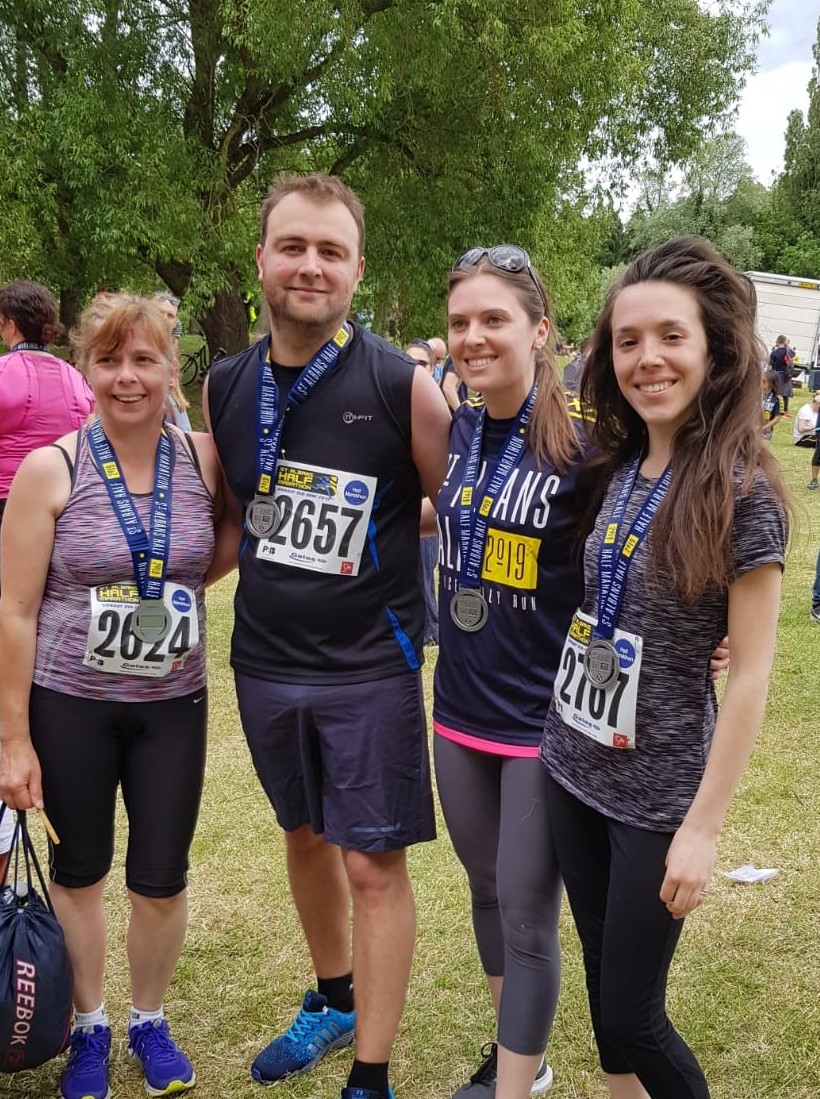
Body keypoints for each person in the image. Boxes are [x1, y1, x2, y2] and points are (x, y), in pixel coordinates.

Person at [205, 171, 451, 1099]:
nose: (311, 266)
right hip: (264, 658)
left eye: (331, 251)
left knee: (372, 862)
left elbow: (460, 513)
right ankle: (334, 996)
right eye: (294, 246)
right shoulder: (222, 381)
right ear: (262, 258)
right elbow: (237, 519)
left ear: (356, 270)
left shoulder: (404, 384)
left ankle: (373, 1076)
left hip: (369, 665)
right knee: (303, 835)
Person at [541, 236, 790, 1099]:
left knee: (636, 1015)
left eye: (671, 337)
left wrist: (703, 827)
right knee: (605, 995)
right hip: (572, 764)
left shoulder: (744, 488)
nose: (647, 358)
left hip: (659, 795)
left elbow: (753, 672)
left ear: (715, 348)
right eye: (627, 339)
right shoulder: (621, 461)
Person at [0, 294, 228, 1099]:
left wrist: (176, 590)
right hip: (72, 703)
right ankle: (90, 1023)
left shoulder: (204, 460)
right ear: (85, 367)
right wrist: (14, 739)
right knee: (81, 869)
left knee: (161, 875)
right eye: (109, 360)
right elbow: (15, 610)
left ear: (173, 368)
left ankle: (149, 1017)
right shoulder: (49, 468)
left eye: (144, 360)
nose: (127, 378)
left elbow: (224, 541)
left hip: (174, 703)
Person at [432, 245, 583, 1099]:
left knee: (528, 915)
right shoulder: (459, 426)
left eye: (494, 319)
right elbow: (455, 517)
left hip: (541, 722)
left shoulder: (584, 448)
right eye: (461, 322)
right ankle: (515, 1054)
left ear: (538, 330)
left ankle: (515, 1089)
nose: (474, 336)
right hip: (457, 707)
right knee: (485, 890)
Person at [0, 280, 94, 533]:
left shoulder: (3, 371)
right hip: (65, 500)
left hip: (8, 499)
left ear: (10, 324)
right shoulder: (77, 379)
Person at [404, 339, 440, 646]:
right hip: (402, 511)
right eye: (410, 363)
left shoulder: (445, 412)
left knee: (425, 573)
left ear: (435, 368)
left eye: (423, 364)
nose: (417, 369)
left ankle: (431, 627)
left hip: (429, 510)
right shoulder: (390, 406)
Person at [153, 292, 193, 431]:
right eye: (159, 313)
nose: (164, 319)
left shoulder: (171, 348)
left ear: (175, 321)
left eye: (170, 315)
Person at [768, 334, 794, 412]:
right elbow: (794, 354)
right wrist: (788, 346)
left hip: (776, 374)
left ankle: (775, 408)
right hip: (786, 374)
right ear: (785, 342)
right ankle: (785, 410)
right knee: (785, 393)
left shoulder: (773, 352)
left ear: (778, 342)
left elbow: (770, 366)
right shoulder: (788, 351)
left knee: (776, 392)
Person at [761, 369, 783, 442]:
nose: (761, 384)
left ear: (771, 383)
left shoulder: (778, 399)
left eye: (764, 382)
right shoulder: (756, 396)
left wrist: (764, 427)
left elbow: (777, 418)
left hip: (765, 431)